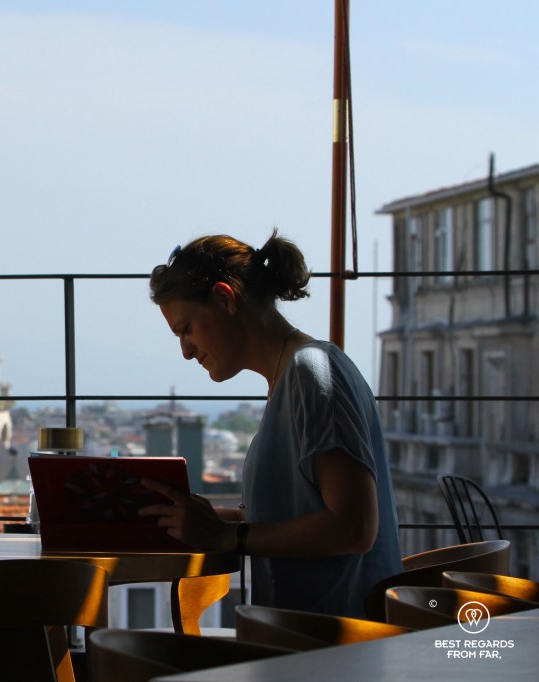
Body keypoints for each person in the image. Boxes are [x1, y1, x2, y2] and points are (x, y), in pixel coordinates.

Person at [138, 230, 401, 618]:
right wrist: (197, 519)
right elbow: (297, 513)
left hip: (338, 647)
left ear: (225, 299)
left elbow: (354, 528)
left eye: (186, 328)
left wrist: (227, 535)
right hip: (306, 638)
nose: (186, 351)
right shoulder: (292, 377)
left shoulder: (312, 375)